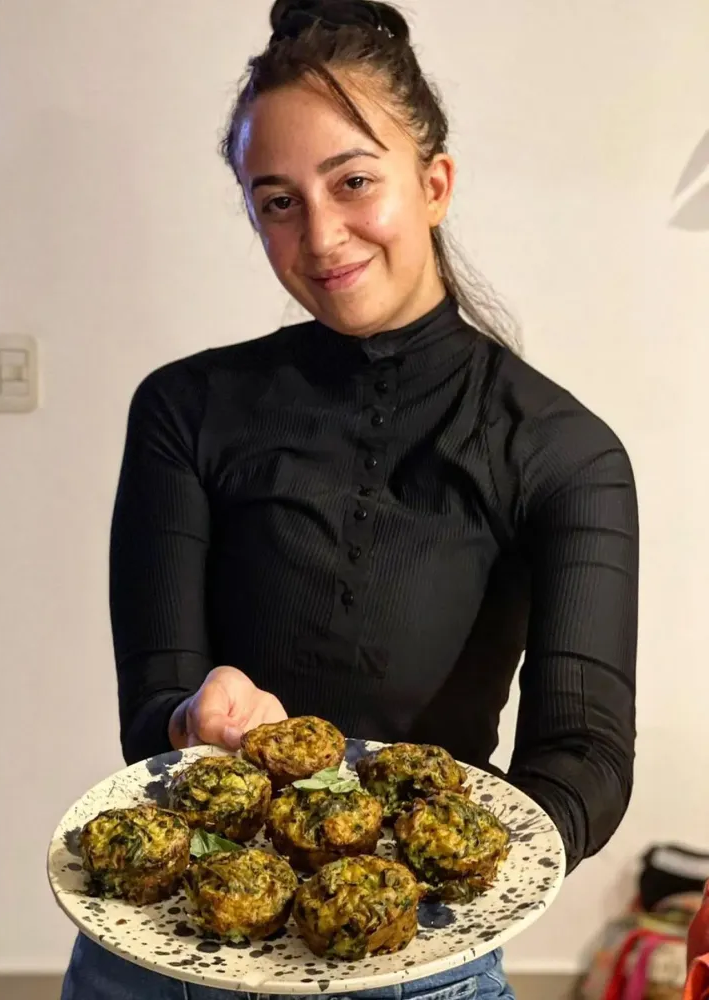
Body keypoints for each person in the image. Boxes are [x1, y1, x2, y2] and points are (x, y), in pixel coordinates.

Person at [61, 1, 639, 997]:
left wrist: (430, 862)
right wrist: (192, 716)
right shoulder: (182, 409)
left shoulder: (564, 452)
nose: (319, 234)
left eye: (353, 181)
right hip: (168, 944)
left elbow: (582, 753)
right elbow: (155, 693)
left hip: (415, 953)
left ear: (434, 183)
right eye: (275, 199)